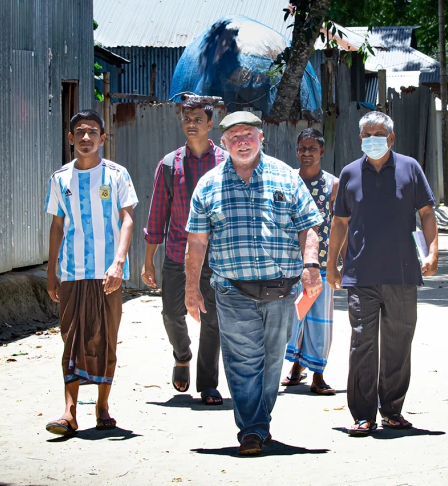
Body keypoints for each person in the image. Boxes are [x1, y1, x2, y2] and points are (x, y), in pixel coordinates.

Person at [184, 111, 324, 456]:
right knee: (243, 361)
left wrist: (311, 265)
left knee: (272, 361)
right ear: (224, 143)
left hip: (281, 289)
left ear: (262, 138)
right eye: (234, 137)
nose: (242, 141)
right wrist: (191, 288)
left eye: (248, 134)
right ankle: (253, 430)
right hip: (233, 291)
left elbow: (309, 226)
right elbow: (197, 242)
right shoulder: (209, 185)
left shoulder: (287, 179)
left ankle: (259, 424)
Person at [328, 111, 438, 437]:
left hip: (403, 274)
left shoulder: (410, 169)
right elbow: (339, 223)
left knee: (398, 344)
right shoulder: (349, 173)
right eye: (366, 134)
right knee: (362, 344)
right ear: (359, 138)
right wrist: (332, 262)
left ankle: (392, 410)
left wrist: (432, 252)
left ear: (391, 138)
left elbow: (428, 213)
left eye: (378, 133)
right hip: (361, 274)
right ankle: (362, 415)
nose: (372, 139)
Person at [43, 110, 138, 436]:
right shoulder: (59, 179)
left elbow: (127, 220)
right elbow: (57, 226)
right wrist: (51, 269)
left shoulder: (116, 175)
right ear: (70, 138)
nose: (86, 138)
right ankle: (69, 413)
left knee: (106, 337)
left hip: (107, 273)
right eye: (80, 132)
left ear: (102, 137)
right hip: (71, 273)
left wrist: (118, 263)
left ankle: (102, 405)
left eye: (92, 132)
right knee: (71, 338)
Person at [141, 95, 226, 406]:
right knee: (171, 313)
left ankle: (208, 383)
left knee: (213, 319)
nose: (191, 125)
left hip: (215, 259)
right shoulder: (168, 165)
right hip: (178, 254)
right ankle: (182, 355)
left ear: (210, 124)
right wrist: (148, 260)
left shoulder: (225, 163)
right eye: (186, 120)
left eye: (198, 120)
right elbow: (156, 214)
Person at [282, 128, 339, 396]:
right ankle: (295, 367)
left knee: (319, 320)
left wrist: (339, 260)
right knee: (294, 315)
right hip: (290, 264)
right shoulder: (287, 180)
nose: (306, 153)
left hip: (321, 263)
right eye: (302, 149)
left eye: (312, 149)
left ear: (322, 152)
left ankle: (318, 374)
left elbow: (340, 224)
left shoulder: (333, 184)